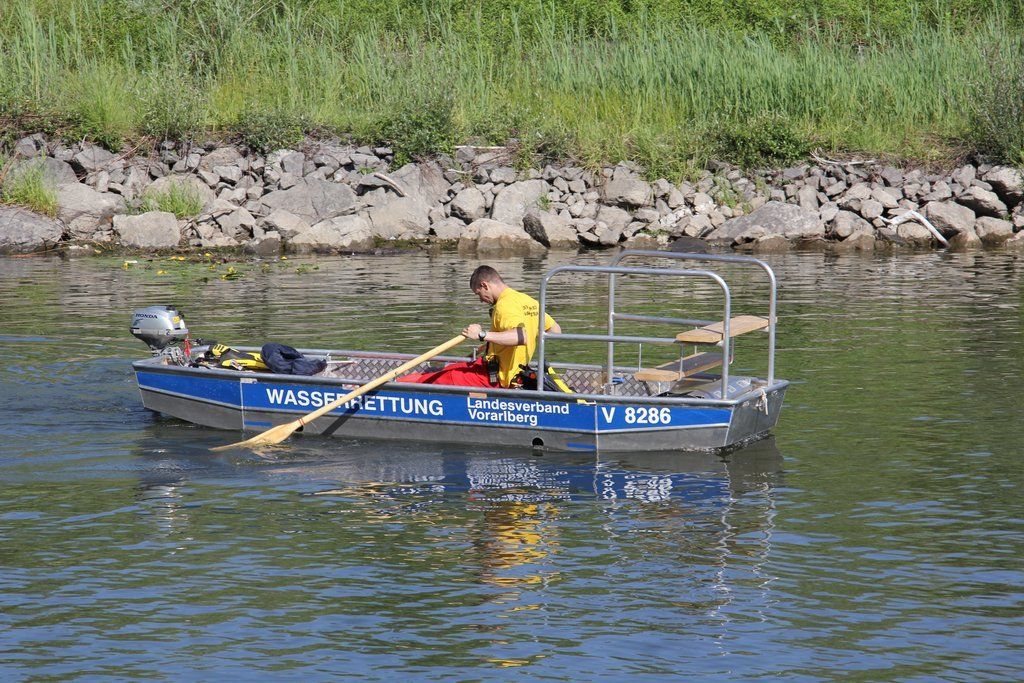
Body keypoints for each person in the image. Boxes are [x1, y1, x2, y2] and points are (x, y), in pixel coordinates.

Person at [398, 265, 561, 388]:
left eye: (478, 294)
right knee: (450, 369)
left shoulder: (504, 305)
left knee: (443, 378)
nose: (481, 300)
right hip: (504, 369)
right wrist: (494, 345)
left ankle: (398, 387)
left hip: (499, 378)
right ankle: (402, 382)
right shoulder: (528, 301)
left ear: (485, 285)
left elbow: (520, 336)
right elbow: (555, 330)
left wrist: (481, 335)